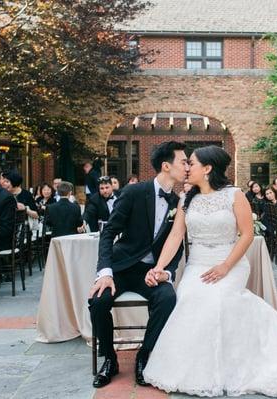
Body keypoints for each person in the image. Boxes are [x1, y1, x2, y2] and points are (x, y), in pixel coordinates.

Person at [142, 145, 277, 397]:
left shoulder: (234, 195)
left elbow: (246, 235)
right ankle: (195, 369)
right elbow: (176, 235)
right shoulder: (186, 199)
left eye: (192, 163)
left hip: (230, 263)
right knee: (189, 297)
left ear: (208, 168)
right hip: (198, 265)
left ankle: (240, 362)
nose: (187, 168)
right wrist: (159, 267)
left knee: (219, 300)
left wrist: (225, 266)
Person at [88, 141, 187, 388]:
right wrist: (105, 272)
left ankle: (145, 355)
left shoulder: (179, 202)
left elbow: (178, 245)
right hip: (122, 267)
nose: (187, 166)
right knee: (98, 301)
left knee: (167, 298)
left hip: (151, 272)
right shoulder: (133, 192)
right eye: (183, 161)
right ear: (166, 166)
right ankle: (110, 360)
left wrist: (166, 272)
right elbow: (108, 233)